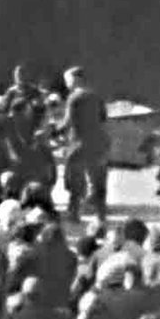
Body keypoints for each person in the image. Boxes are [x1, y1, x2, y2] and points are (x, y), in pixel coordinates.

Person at [58, 66, 111, 224]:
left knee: (75, 181)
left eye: (68, 80)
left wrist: (53, 131)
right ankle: (101, 216)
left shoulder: (74, 98)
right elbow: (103, 118)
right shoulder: (96, 96)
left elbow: (67, 123)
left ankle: (74, 214)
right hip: (99, 144)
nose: (67, 84)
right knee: (99, 182)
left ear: (75, 79)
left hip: (79, 145)